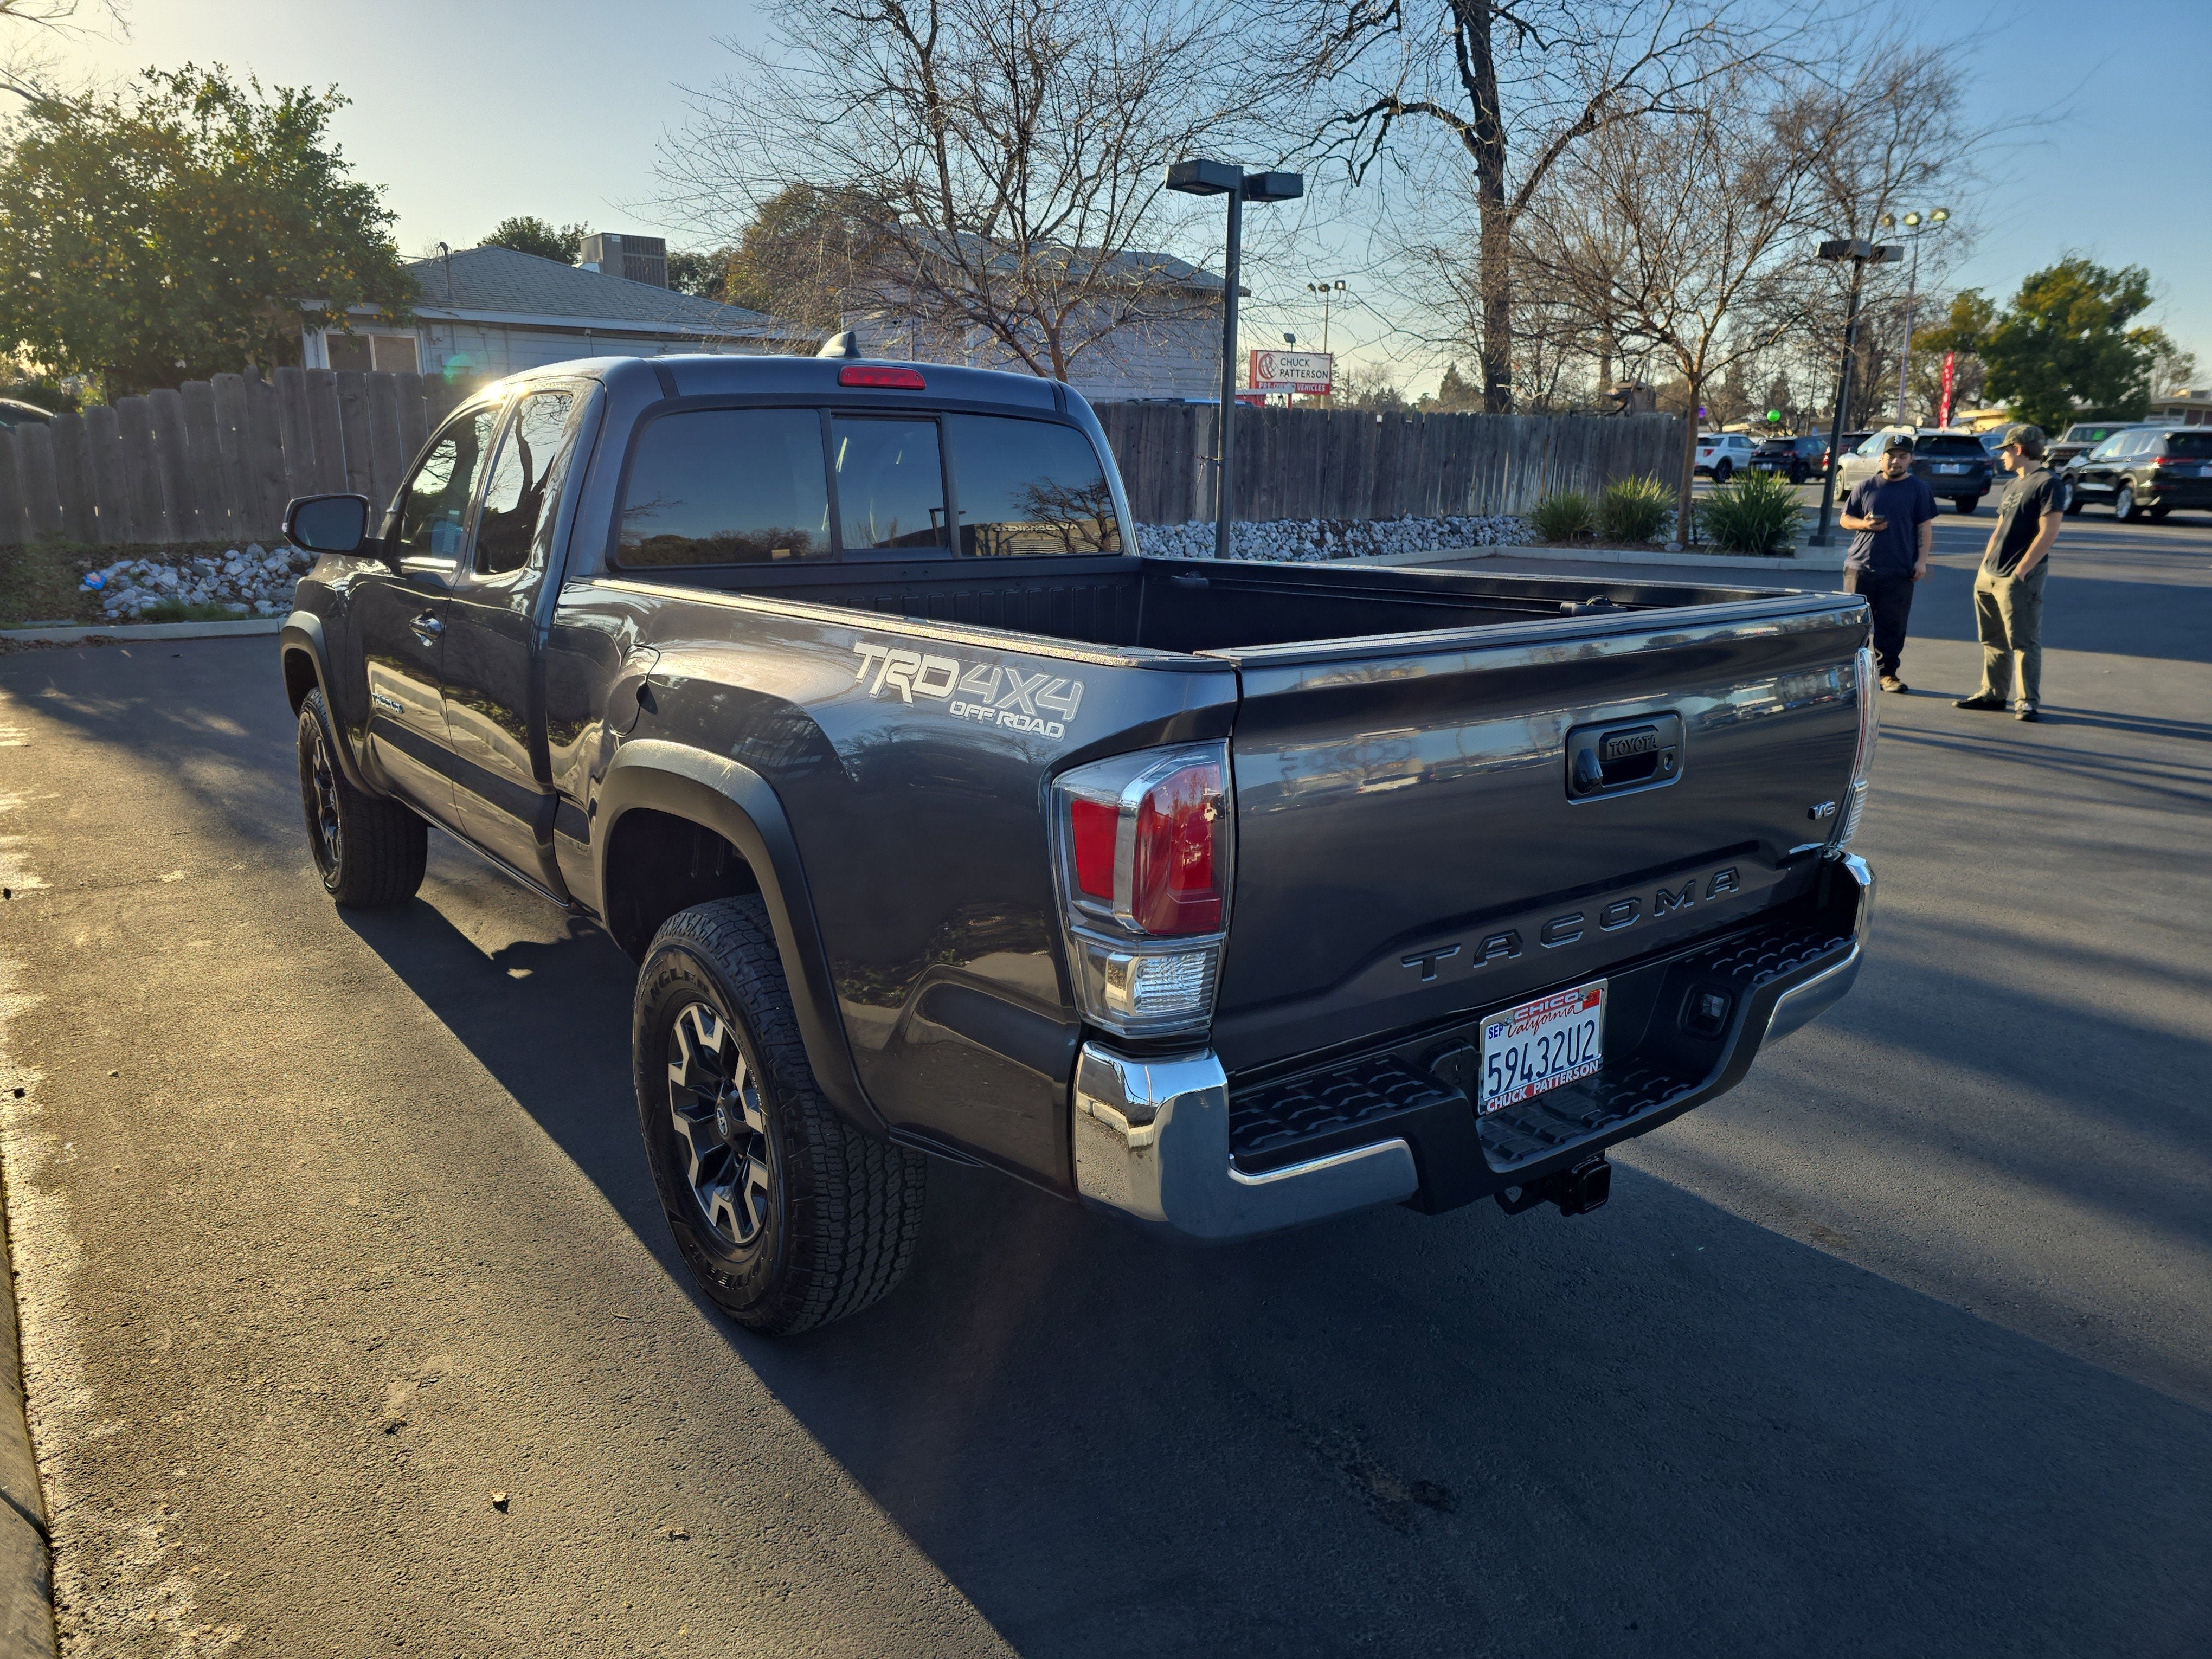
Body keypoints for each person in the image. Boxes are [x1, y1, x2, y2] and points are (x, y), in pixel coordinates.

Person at [1956, 423, 2063, 722]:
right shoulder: (2012, 484)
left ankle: (2027, 701)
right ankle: (1993, 693)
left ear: (2018, 449)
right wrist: (1984, 565)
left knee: (2024, 641)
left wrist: (2022, 572)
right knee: (1992, 638)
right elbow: (2000, 528)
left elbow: (2049, 532)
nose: (2002, 457)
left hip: (2018, 577)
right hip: (1990, 573)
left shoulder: (2048, 483)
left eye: (2005, 451)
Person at [1837, 434, 1935, 691]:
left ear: (1910, 460)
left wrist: (1922, 562)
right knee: (1855, 624)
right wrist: (1865, 525)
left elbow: (1924, 527)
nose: (1896, 461)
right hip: (1860, 567)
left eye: (1902, 457)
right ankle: (1852, 676)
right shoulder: (1865, 486)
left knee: (1892, 626)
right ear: (1882, 457)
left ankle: (1887, 675)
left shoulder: (1919, 489)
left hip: (1900, 569)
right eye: (1891, 456)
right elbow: (1845, 519)